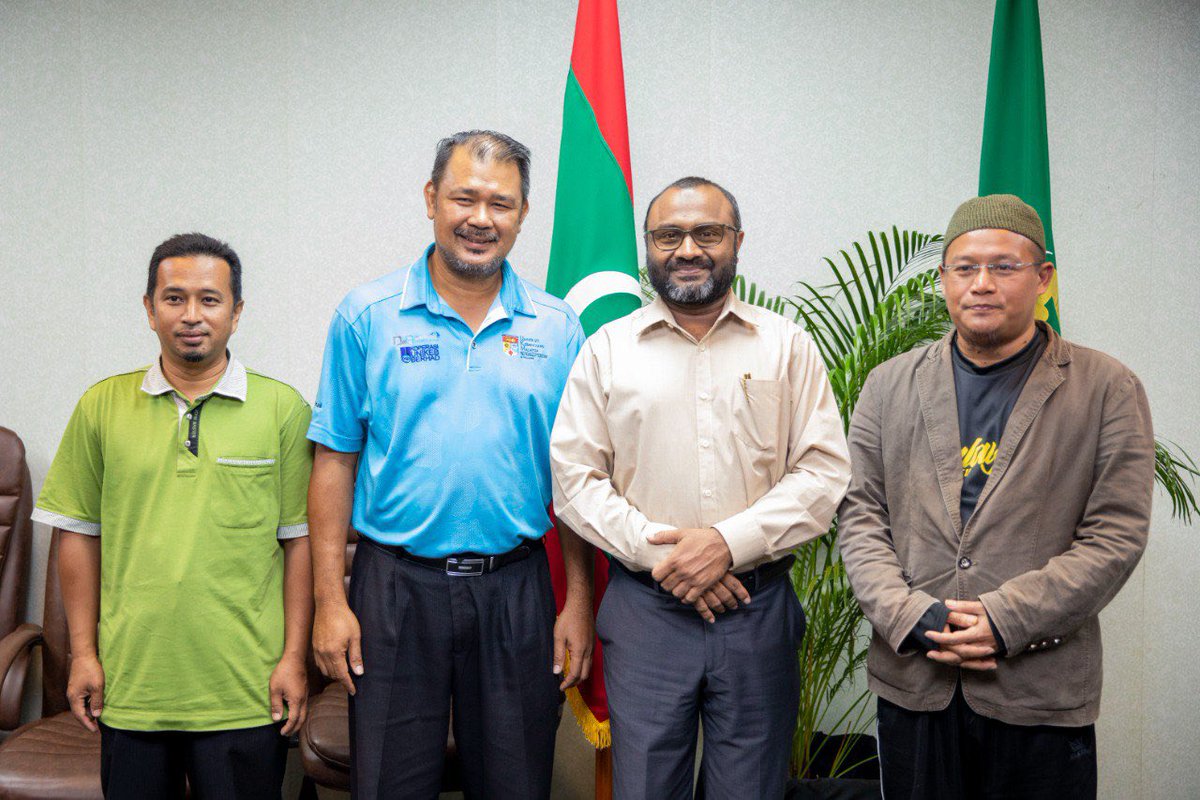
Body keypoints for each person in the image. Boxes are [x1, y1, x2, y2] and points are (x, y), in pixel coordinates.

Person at [307, 130, 595, 800]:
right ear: (432, 198)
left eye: (501, 202)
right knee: (388, 783)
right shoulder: (367, 317)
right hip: (394, 590)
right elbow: (333, 464)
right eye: (464, 197)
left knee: (517, 781)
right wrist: (330, 601)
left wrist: (577, 600)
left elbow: (575, 479)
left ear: (523, 215)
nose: (480, 218)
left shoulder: (557, 329)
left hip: (517, 590)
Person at [839, 194, 1155, 799]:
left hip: (1038, 691)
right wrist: (911, 616)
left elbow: (1115, 536)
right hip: (914, 682)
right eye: (965, 267)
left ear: (1043, 279)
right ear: (943, 280)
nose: (982, 283)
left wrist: (1006, 619)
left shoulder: (1107, 388)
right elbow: (860, 516)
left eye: (1004, 267)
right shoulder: (888, 385)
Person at [550, 176, 851, 799]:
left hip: (757, 610)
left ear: (737, 241)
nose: (687, 249)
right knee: (646, 790)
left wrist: (726, 543)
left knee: (750, 791)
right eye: (668, 235)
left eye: (707, 233)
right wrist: (668, 556)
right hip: (645, 613)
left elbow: (823, 474)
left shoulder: (787, 346)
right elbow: (576, 479)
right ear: (648, 248)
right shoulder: (608, 349)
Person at [33, 233, 313, 798]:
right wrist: (83, 655)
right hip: (133, 687)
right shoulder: (101, 407)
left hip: (245, 690)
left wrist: (293, 658)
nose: (192, 315)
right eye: (174, 298)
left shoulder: (283, 409)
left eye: (210, 300)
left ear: (237, 313)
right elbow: (78, 538)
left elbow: (298, 545)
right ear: (148, 308)